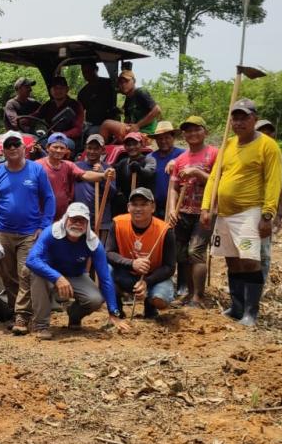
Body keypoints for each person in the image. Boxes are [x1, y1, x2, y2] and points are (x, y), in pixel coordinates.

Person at [201, 99, 282, 326]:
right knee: (232, 261)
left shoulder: (267, 146)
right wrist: (206, 207)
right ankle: (236, 307)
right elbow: (215, 178)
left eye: (244, 117)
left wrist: (268, 215)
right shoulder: (228, 144)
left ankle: (250, 312)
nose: (238, 122)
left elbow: (273, 182)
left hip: (250, 212)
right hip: (225, 214)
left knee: (249, 261)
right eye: (235, 118)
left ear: (254, 119)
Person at [0, 130, 56, 335]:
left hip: (30, 232)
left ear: (24, 148)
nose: (13, 148)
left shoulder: (36, 171)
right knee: (8, 275)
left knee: (26, 273)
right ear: (2, 150)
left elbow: (49, 199)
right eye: (8, 145)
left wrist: (44, 225)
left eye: (16, 144)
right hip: (3, 232)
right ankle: (19, 313)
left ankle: (22, 316)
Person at [25, 202, 122, 340]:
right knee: (36, 273)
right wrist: (57, 277)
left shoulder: (93, 242)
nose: (77, 224)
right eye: (73, 219)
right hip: (47, 273)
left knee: (95, 299)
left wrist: (113, 312)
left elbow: (105, 277)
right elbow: (32, 260)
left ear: (87, 224)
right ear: (65, 219)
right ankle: (40, 325)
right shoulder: (51, 232)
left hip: (75, 275)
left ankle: (74, 315)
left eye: (82, 220)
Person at [166, 116, 218, 307]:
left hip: (204, 211)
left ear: (206, 132)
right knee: (181, 254)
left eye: (197, 129)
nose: (192, 134)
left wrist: (196, 173)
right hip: (183, 211)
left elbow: (217, 182)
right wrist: (172, 209)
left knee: (195, 251)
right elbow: (173, 187)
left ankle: (198, 296)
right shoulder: (180, 159)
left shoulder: (214, 154)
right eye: (188, 131)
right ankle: (187, 292)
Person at [108, 187, 177, 323]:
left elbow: (170, 267)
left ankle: (150, 306)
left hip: (154, 277)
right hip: (127, 274)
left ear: (153, 207)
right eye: (134, 204)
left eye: (144, 204)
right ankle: (116, 310)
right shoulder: (118, 223)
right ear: (128, 207)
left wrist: (147, 282)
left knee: (160, 299)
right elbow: (109, 253)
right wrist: (131, 263)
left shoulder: (165, 230)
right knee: (106, 270)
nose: (138, 208)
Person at [37, 133, 112, 220]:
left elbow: (85, 174)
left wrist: (103, 175)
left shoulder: (69, 165)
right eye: (55, 147)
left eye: (62, 148)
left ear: (66, 151)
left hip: (62, 218)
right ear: (47, 148)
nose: (58, 150)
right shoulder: (37, 166)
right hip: (41, 218)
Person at [74, 134, 119, 252]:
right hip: (81, 219)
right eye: (90, 148)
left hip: (101, 219)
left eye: (96, 148)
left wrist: (103, 175)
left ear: (102, 150)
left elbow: (112, 194)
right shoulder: (77, 167)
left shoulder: (108, 169)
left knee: (99, 253)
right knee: (81, 253)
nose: (92, 151)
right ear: (85, 148)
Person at [255, 119, 282, 282]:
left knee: (263, 251)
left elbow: (280, 187)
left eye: (269, 132)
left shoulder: (276, 156)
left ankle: (260, 283)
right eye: (262, 132)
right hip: (246, 209)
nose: (266, 136)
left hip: (266, 210)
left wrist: (278, 214)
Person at [101, 70, 162, 143]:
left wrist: (137, 126)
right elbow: (127, 120)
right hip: (133, 131)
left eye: (126, 81)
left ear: (134, 81)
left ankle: (100, 151)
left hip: (145, 133)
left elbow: (157, 110)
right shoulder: (128, 99)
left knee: (106, 124)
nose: (123, 84)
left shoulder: (140, 92)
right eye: (121, 82)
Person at [28, 76, 85, 143]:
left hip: (69, 139)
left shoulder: (75, 105)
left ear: (67, 89)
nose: (58, 91)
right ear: (51, 90)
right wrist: (22, 120)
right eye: (55, 88)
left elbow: (78, 129)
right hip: (49, 138)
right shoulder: (48, 104)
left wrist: (61, 135)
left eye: (61, 88)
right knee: (33, 143)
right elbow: (36, 115)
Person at [113, 132, 157, 214]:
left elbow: (149, 173)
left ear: (141, 144)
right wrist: (118, 193)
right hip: (128, 206)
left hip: (144, 205)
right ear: (125, 147)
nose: (132, 147)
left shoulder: (149, 160)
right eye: (128, 145)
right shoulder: (122, 163)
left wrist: (139, 169)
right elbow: (115, 180)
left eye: (135, 144)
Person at [151, 121, 185, 220]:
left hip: (177, 206)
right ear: (156, 140)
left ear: (173, 138)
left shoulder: (182, 155)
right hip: (156, 207)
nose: (163, 141)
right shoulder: (151, 157)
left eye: (167, 138)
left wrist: (176, 161)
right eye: (160, 138)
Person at [77, 63, 118, 136]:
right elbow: (80, 112)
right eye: (84, 72)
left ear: (96, 69)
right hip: (90, 124)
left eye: (89, 71)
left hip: (108, 123)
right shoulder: (82, 92)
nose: (86, 74)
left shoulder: (108, 84)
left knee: (92, 132)